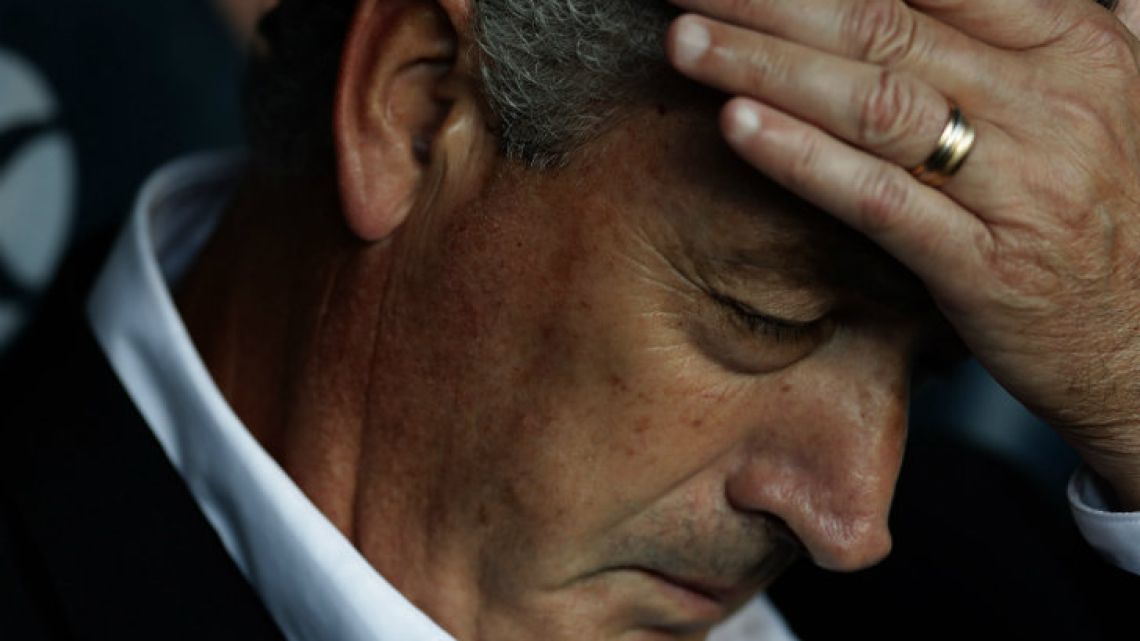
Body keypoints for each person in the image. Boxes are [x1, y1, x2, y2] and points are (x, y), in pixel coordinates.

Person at [3, 0, 1140, 639]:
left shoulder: (1002, 575)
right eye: (766, 315)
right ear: (414, 108)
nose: (853, 525)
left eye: (938, 366)